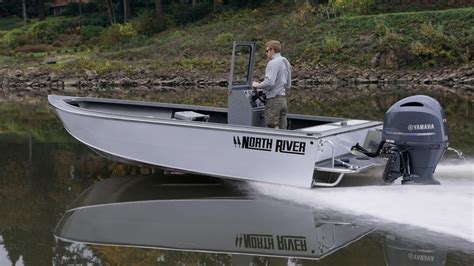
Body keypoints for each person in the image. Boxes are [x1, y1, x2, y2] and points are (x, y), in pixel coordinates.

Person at [252, 40, 292, 129]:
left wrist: (256, 85)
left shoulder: (272, 63)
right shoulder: (285, 61)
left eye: (267, 51)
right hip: (283, 100)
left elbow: (270, 82)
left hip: (273, 100)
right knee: (283, 127)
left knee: (272, 125)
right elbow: (288, 84)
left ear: (272, 50)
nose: (266, 54)